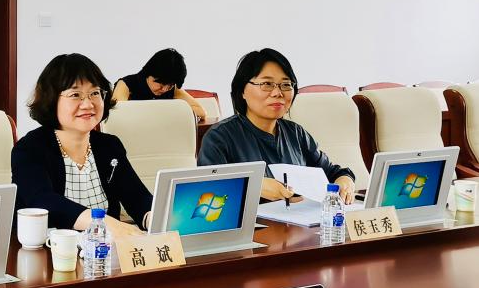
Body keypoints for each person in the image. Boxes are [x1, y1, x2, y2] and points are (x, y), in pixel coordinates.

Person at [12, 53, 153, 234]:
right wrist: (107, 224)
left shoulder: (110, 146)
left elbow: (137, 197)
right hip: (48, 249)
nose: (87, 104)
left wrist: (154, 218)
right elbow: (43, 201)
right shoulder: (30, 148)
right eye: (75, 95)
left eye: (95, 93)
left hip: (104, 249)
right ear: (52, 99)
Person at [197, 48, 356, 204]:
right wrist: (253, 186)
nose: (277, 93)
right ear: (242, 91)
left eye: (285, 85)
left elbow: (333, 173)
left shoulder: (296, 133)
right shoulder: (219, 137)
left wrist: (345, 180)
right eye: (267, 84)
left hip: (298, 220)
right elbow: (209, 195)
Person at [112, 48, 208, 121]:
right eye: (161, 84)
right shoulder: (126, 84)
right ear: (149, 74)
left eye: (170, 85)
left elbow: (201, 112)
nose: (164, 89)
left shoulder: (173, 89)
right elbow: (118, 114)